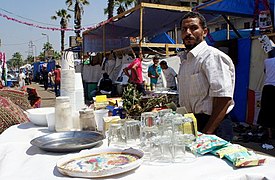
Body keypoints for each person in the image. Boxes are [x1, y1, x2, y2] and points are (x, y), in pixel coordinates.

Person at [178, 12, 235, 141]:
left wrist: (207, 134)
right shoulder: (185, 61)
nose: (188, 33)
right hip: (193, 124)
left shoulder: (212, 57)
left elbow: (223, 99)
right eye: (184, 29)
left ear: (205, 32)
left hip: (213, 126)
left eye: (193, 28)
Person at [257, 49, 275, 146]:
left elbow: (265, 71)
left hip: (268, 87)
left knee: (266, 110)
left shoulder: (267, 61)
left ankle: (269, 133)